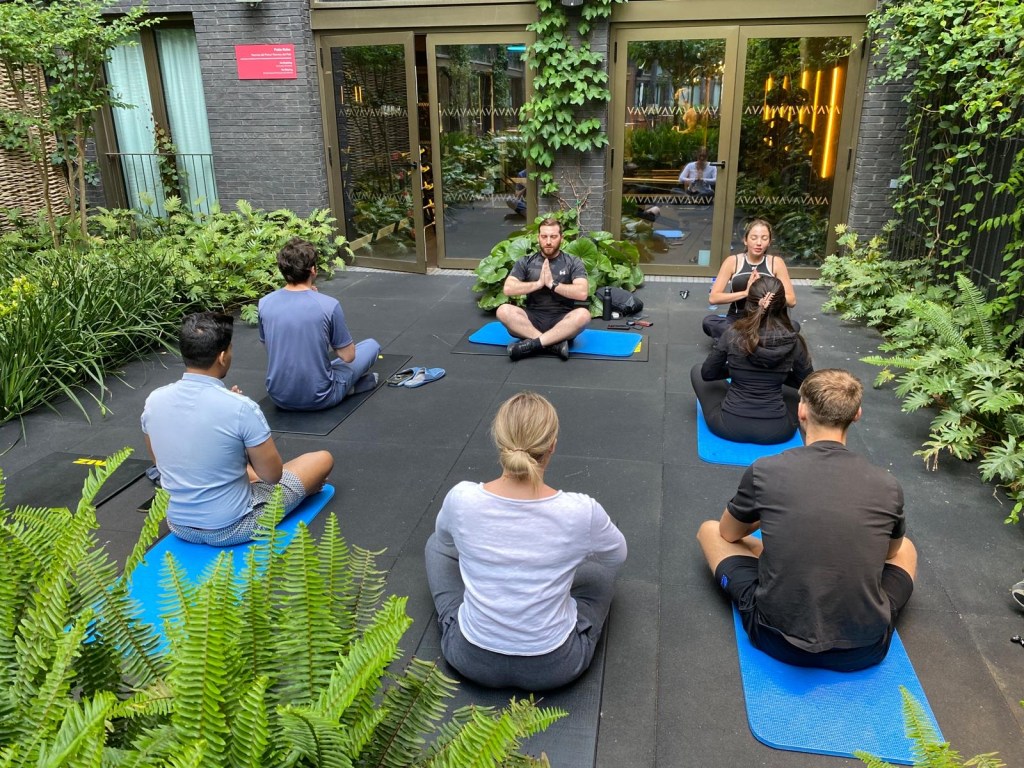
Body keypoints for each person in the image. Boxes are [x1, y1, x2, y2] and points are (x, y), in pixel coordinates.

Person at [696, 369, 917, 671]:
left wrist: (769, 513)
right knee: (906, 548)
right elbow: (889, 555)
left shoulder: (766, 470)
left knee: (709, 530)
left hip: (775, 638)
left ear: (801, 410)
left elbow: (728, 532)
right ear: (857, 415)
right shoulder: (888, 485)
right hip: (866, 648)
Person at [425, 391, 627, 690]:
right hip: (555, 667)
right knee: (601, 571)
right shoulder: (581, 511)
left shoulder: (461, 497)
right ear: (552, 446)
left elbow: (444, 541)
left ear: (498, 441)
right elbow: (616, 557)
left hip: (469, 658)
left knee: (434, 545)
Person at [142, 312, 334, 546]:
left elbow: (160, 462)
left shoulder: (154, 399)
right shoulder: (241, 408)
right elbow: (273, 476)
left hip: (180, 526)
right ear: (222, 357)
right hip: (234, 527)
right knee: (322, 460)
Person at [258, 237, 380, 410]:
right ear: (313, 270)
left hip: (279, 397)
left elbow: (269, 346)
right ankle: (345, 390)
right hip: (321, 397)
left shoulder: (264, 302)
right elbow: (348, 356)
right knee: (371, 346)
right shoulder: (328, 305)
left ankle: (346, 388)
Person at [691, 275, 812, 444]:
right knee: (801, 390)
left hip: (728, 426)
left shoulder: (732, 334)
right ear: (782, 304)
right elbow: (806, 383)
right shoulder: (794, 340)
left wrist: (734, 369)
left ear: (749, 302)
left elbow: (708, 374)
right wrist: (780, 373)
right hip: (778, 431)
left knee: (697, 371)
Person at [496, 217, 591, 361]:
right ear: (538, 237)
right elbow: (508, 289)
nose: (548, 241)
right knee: (503, 311)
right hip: (531, 320)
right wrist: (538, 284)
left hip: (562, 321)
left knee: (583, 315)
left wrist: (553, 285)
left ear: (561, 238)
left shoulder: (572, 262)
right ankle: (553, 344)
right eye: (544, 236)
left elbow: (582, 293)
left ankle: (533, 344)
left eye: (553, 237)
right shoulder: (526, 261)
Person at [704, 219, 797, 340]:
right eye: (754, 238)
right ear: (745, 240)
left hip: (766, 320)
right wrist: (746, 293)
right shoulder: (732, 261)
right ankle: (758, 341)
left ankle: (740, 340)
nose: (759, 243)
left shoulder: (776, 263)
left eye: (764, 238)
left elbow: (792, 300)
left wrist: (769, 298)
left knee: (793, 326)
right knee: (709, 322)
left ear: (769, 242)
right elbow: (713, 298)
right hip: (738, 319)